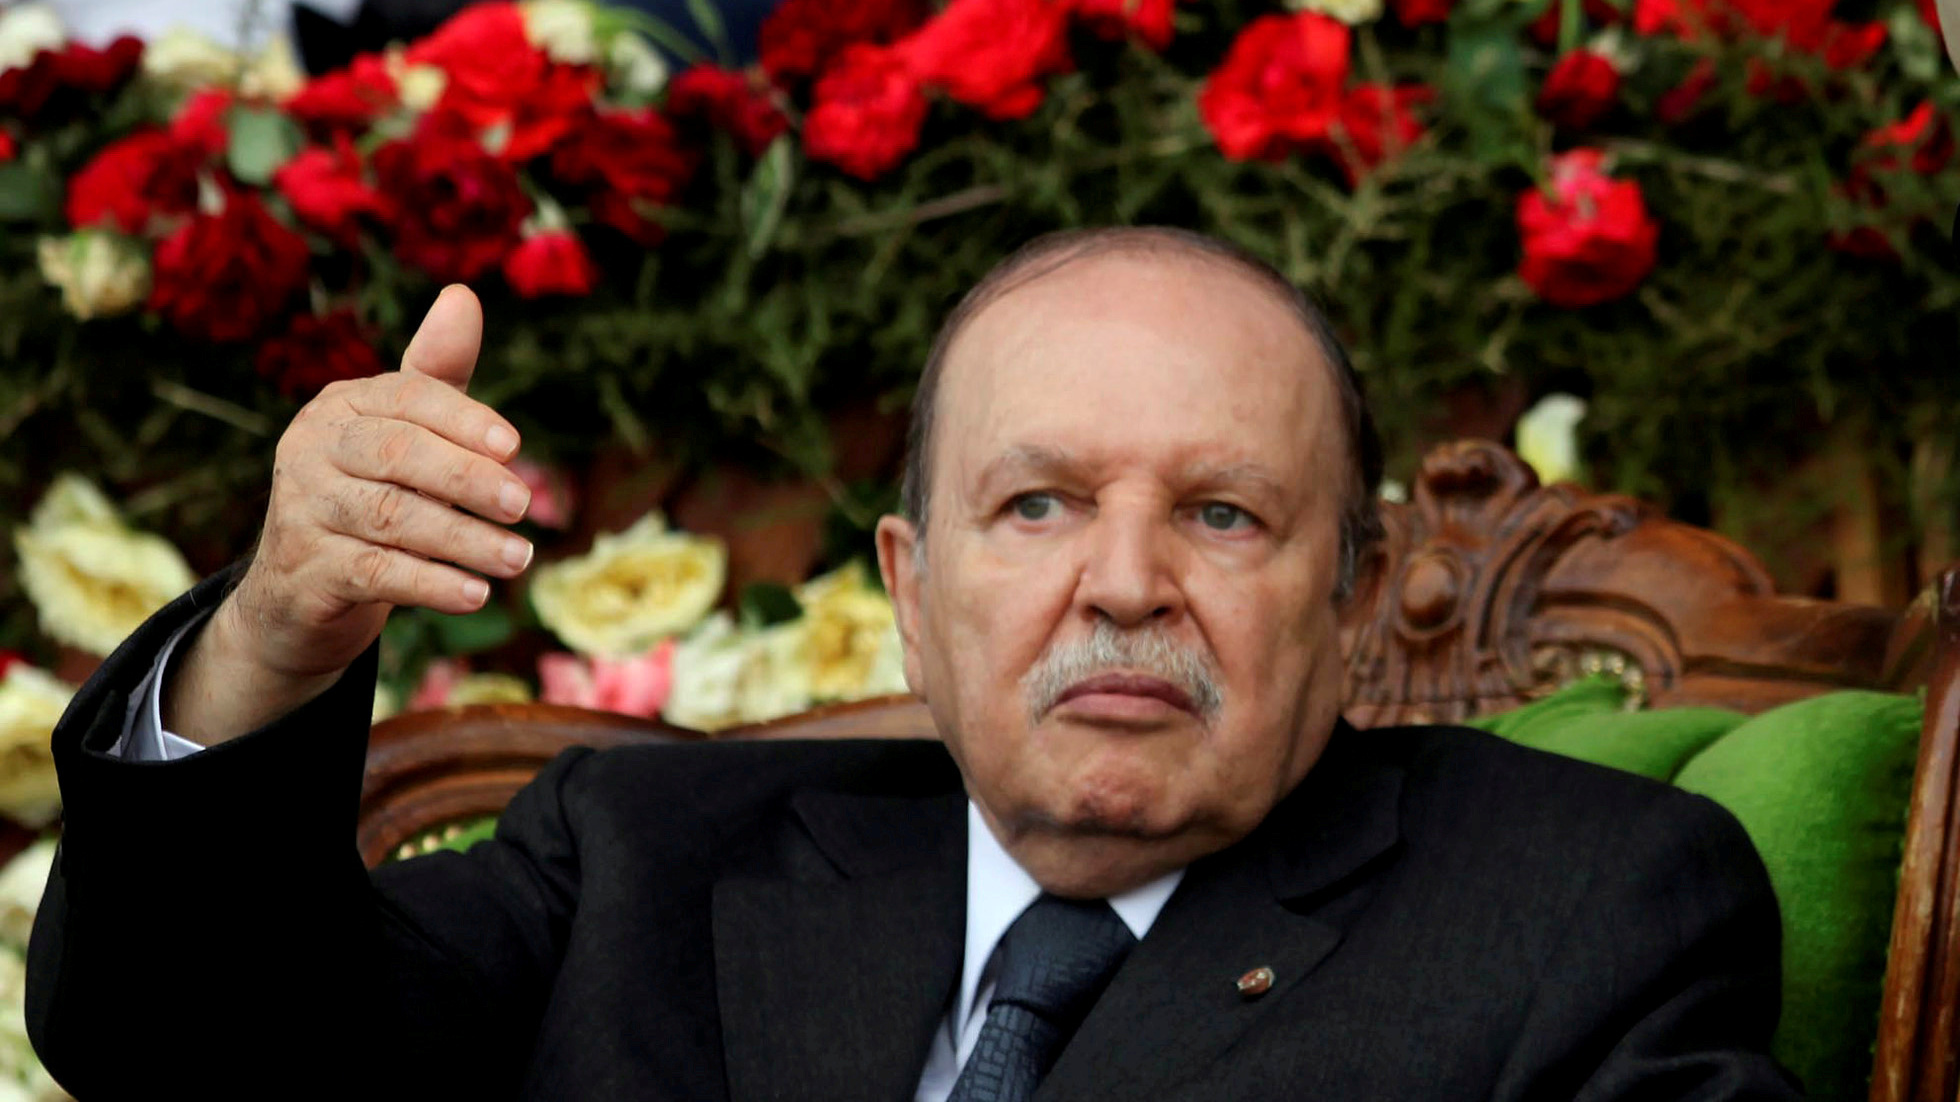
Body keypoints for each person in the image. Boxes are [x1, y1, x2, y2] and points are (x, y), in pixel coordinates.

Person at [27, 227, 1799, 1100]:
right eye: (1036, 504)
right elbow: (183, 1049)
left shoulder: (1585, 912)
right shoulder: (636, 858)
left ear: (1356, 597)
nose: (1126, 582)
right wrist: (277, 629)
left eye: (1223, 514)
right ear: (912, 587)